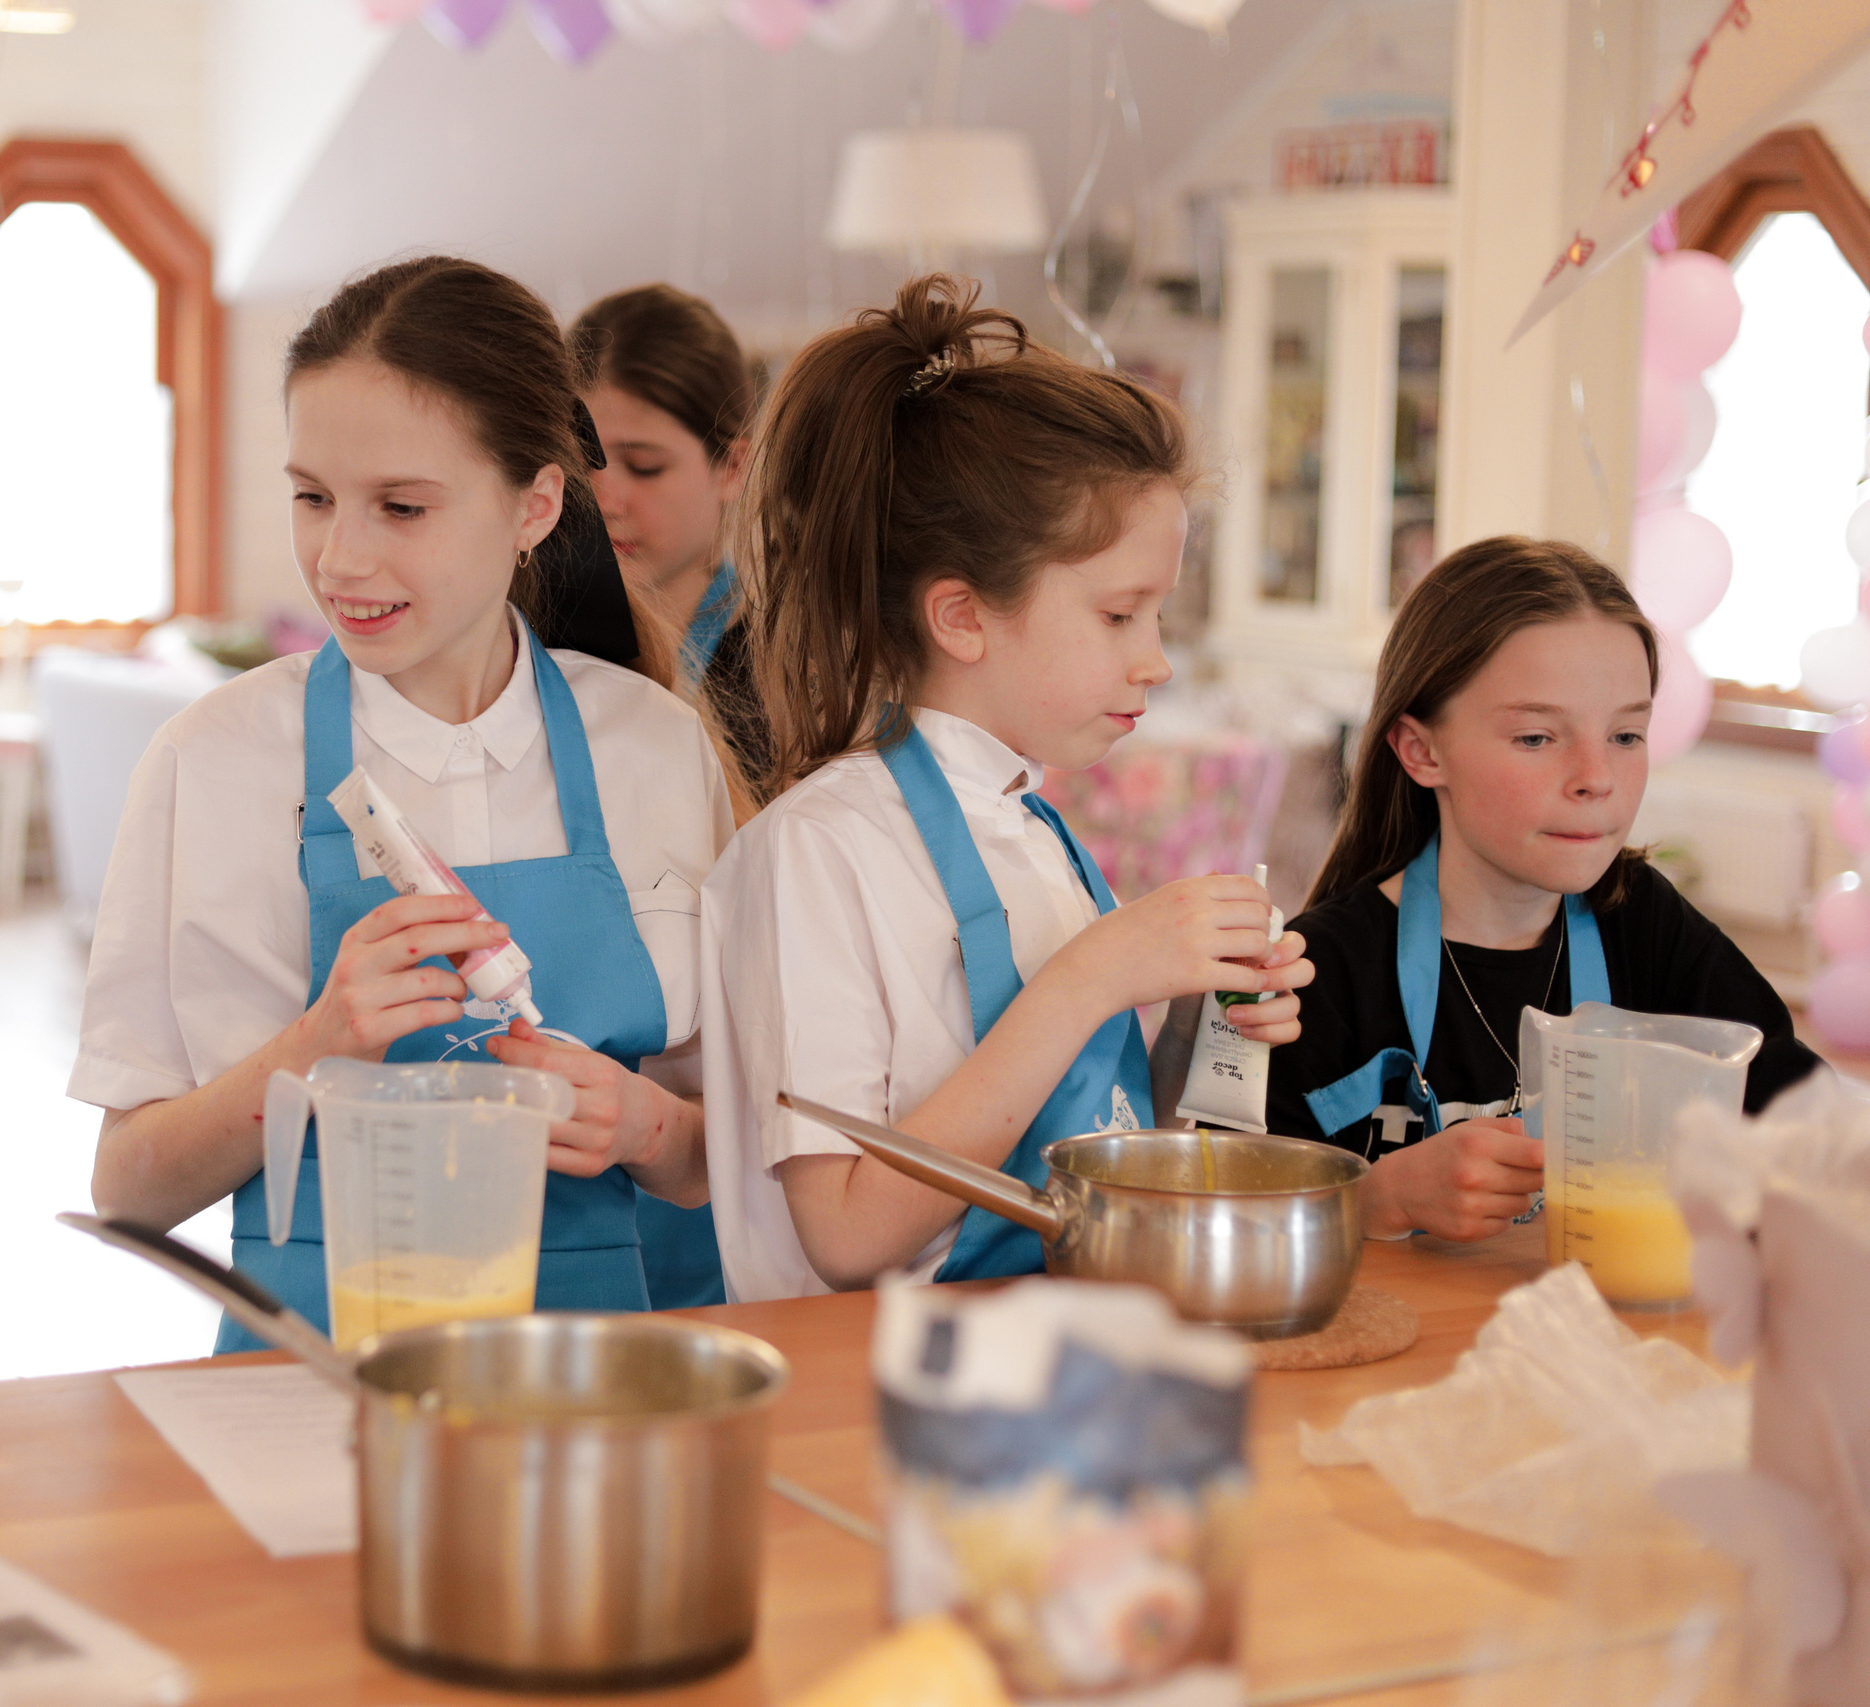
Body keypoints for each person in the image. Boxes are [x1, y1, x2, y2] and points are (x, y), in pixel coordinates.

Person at [77, 257, 730, 1351]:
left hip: (597, 1386)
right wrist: (319, 1044)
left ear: (535, 503)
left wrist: (650, 1127)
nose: (340, 558)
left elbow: (728, 1154)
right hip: (313, 1392)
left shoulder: (653, 747)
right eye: (312, 497)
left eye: (401, 507)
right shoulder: (215, 760)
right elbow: (126, 1190)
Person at [700, 275, 1311, 1301]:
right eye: (1121, 616)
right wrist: (1090, 976)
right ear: (962, 618)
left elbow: (1095, 1140)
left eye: (1158, 615)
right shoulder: (820, 851)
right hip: (871, 1403)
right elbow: (846, 1235)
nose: (1155, 659)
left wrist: (1207, 1013)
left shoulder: (1034, 831)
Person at [1265, 536, 1819, 1241]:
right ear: (1423, 751)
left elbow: (1809, 1126)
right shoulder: (1319, 972)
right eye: (1536, 737)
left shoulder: (1641, 923)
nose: (1597, 776)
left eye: (1625, 734)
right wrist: (1381, 1198)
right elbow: (1223, 1219)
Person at [568, 283, 758, 1306]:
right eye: (589, 466)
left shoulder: (782, 666)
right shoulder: (541, 654)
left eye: (644, 467)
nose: (611, 499)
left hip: (721, 1132)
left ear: (732, 465)